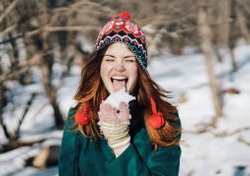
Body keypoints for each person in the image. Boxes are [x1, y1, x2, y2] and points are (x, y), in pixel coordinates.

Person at [58, 12, 182, 176]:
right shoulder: (79, 119)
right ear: (99, 66)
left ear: (140, 69)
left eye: (129, 60)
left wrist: (120, 143)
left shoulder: (164, 120)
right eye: (110, 59)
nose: (119, 67)